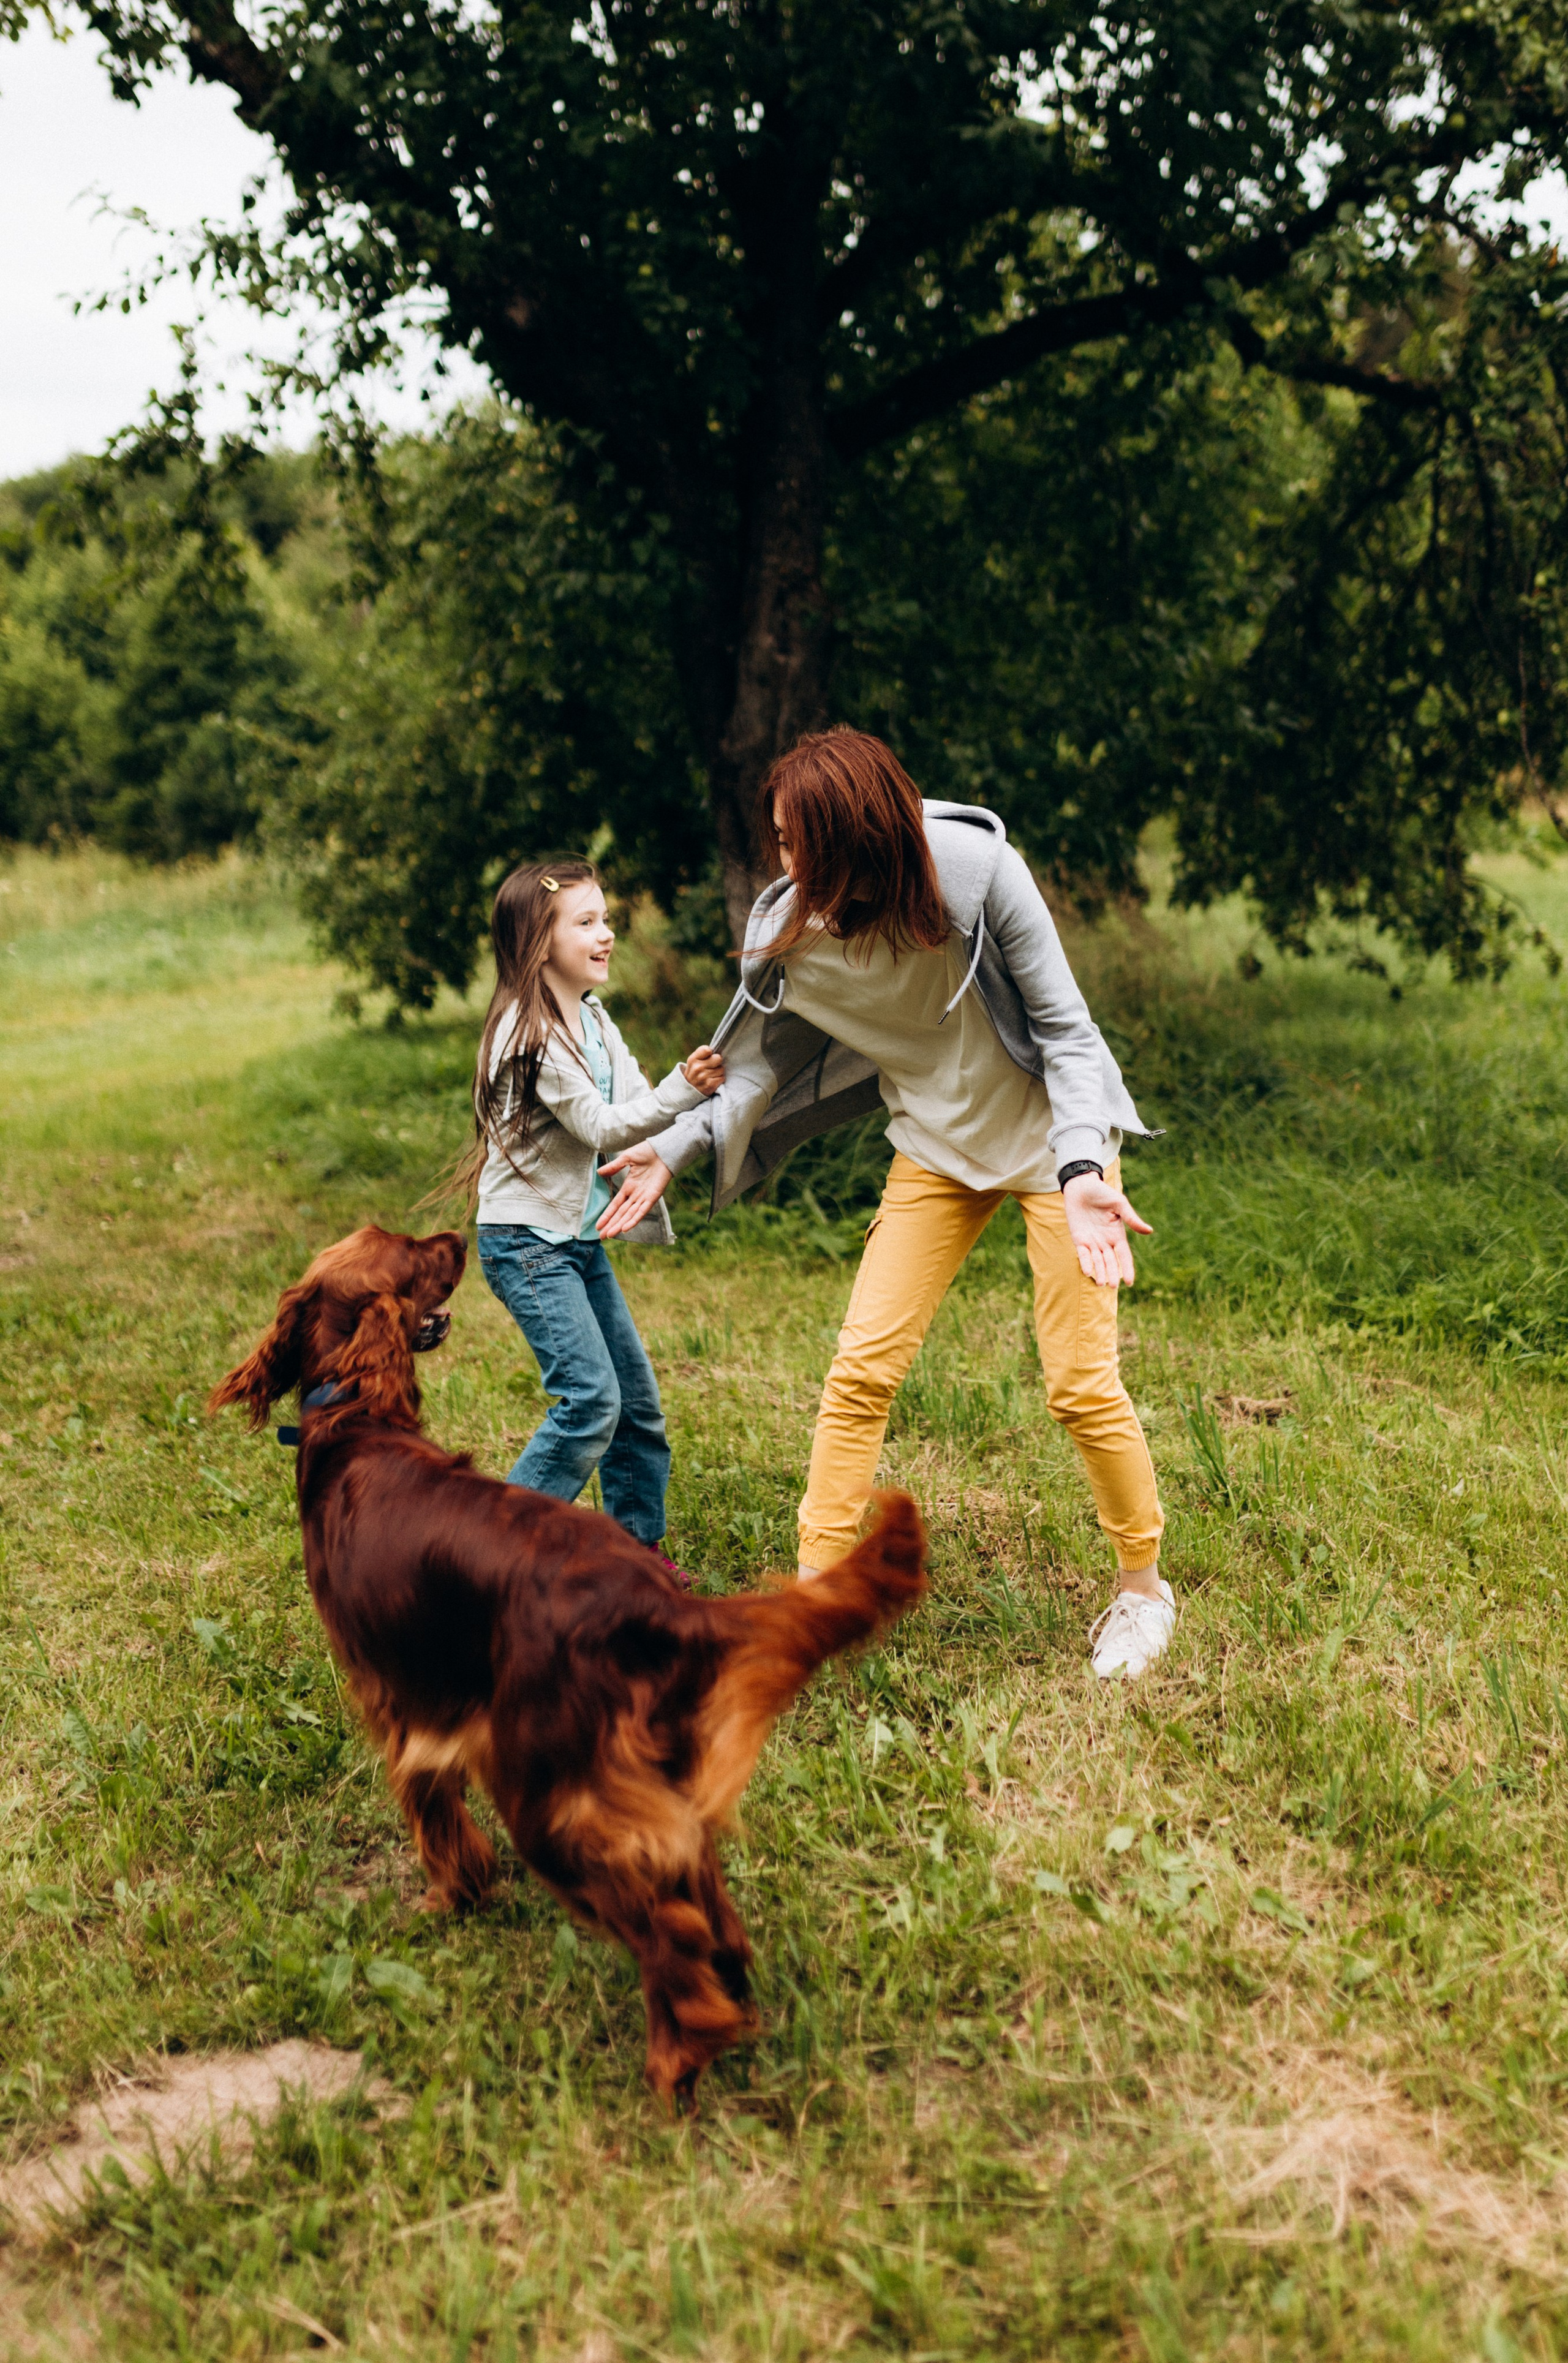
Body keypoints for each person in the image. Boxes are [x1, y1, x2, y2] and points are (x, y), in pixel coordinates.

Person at [597, 731, 1173, 1677]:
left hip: (1050, 1145)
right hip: (935, 1153)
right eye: (777, 842)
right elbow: (745, 1071)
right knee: (860, 1369)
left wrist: (1080, 1174)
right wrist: (671, 1144)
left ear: (857, 842)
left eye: (797, 846)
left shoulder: (979, 877)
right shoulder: (791, 937)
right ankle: (814, 1596)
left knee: (1078, 1383)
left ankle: (1144, 1589)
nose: (780, 869)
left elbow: (1069, 1033)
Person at [456, 858, 725, 1571]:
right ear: (539, 942)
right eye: (587, 923)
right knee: (588, 1404)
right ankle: (485, 1560)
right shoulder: (529, 1033)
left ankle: (636, 1558)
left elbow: (638, 1109)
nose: (607, 935)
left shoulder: (594, 1018)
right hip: (526, 1246)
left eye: (606, 919)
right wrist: (682, 1090)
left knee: (635, 1405)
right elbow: (604, 1124)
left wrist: (683, 1116)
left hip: (573, 1245)